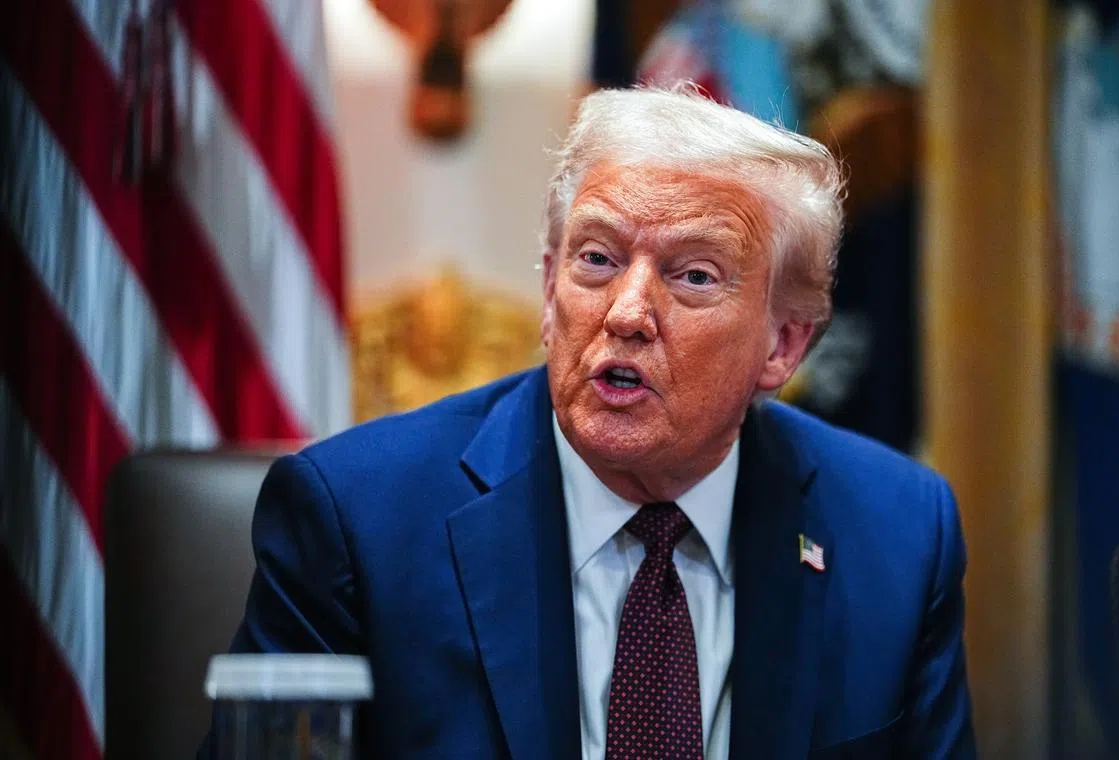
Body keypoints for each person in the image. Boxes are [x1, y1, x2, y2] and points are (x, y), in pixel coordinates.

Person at [205, 87, 975, 759]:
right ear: (548, 291)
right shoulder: (358, 521)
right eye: (598, 260)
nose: (628, 312)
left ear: (783, 345)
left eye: (693, 275)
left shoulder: (898, 537)